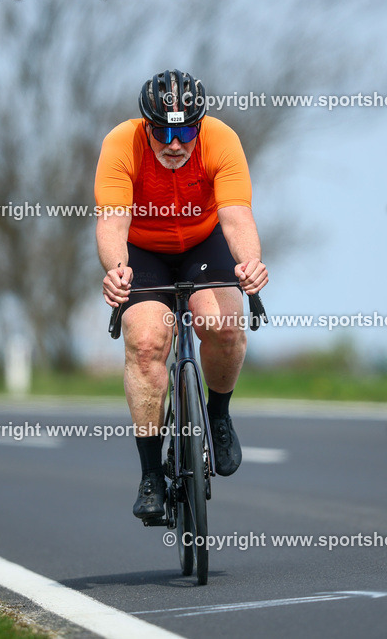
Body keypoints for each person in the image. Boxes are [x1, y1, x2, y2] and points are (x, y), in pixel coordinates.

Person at [94, 69, 268, 520]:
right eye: (163, 132)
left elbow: (236, 217)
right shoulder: (121, 144)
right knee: (147, 340)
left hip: (203, 241)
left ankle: (219, 415)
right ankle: (151, 473)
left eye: (186, 130)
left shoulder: (221, 140)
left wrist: (248, 263)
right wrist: (117, 272)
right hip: (145, 249)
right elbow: (112, 222)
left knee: (224, 325)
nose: (175, 144)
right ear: (147, 126)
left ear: (200, 125)